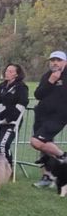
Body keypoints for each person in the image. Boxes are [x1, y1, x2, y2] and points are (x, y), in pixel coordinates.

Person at [31, 51, 67, 187]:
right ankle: (47, 177)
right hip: (42, 115)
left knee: (36, 141)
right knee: (45, 148)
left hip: (58, 116)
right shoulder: (47, 76)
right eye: (53, 60)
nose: (55, 63)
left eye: (58, 60)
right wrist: (51, 81)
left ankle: (63, 156)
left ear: (65, 62)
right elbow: (38, 94)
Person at [0, 64, 28, 162]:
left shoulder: (21, 87)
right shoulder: (1, 86)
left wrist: (9, 119)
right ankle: (5, 168)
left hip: (12, 122)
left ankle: (7, 170)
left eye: (11, 71)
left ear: (17, 74)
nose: (7, 73)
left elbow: (22, 105)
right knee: (0, 145)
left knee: (3, 144)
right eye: (6, 70)